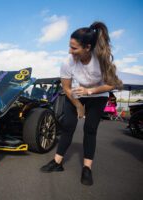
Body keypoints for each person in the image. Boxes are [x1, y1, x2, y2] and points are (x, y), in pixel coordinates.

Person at [40, 22, 123, 186]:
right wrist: (78, 105)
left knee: (90, 129)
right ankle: (57, 163)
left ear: (87, 47)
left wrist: (89, 91)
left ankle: (87, 168)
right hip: (76, 95)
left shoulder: (101, 60)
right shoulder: (67, 62)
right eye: (70, 47)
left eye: (74, 48)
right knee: (68, 126)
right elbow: (66, 87)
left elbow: (113, 84)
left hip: (98, 94)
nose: (70, 51)